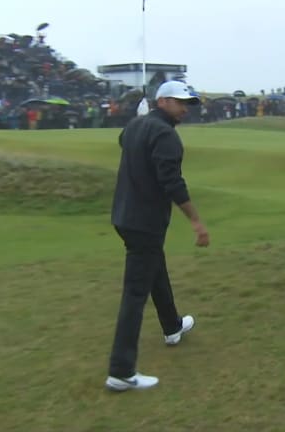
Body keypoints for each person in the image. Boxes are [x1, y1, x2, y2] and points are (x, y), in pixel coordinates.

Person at [105, 81, 210, 392]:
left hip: (124, 217)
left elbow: (124, 139)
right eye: (180, 102)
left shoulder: (138, 125)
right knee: (135, 294)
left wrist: (139, 119)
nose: (185, 108)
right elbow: (172, 183)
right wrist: (196, 221)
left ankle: (172, 326)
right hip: (145, 221)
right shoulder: (166, 135)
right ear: (162, 101)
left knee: (155, 268)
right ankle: (121, 372)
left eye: (188, 103)